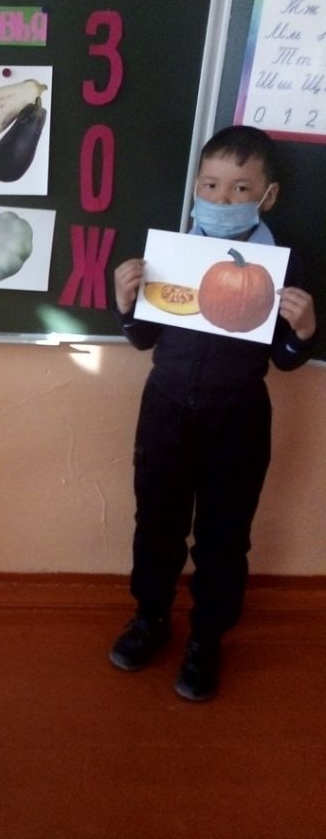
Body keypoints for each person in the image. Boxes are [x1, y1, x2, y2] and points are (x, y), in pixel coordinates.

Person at [109, 125, 317, 701]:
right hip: (166, 408)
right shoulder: (173, 254)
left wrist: (303, 332)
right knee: (157, 522)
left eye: (240, 188)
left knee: (225, 536)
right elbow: (143, 339)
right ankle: (150, 617)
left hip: (239, 416)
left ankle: (207, 636)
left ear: (267, 196)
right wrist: (126, 303)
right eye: (210, 185)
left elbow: (285, 361)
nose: (222, 199)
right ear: (196, 187)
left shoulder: (284, 266)